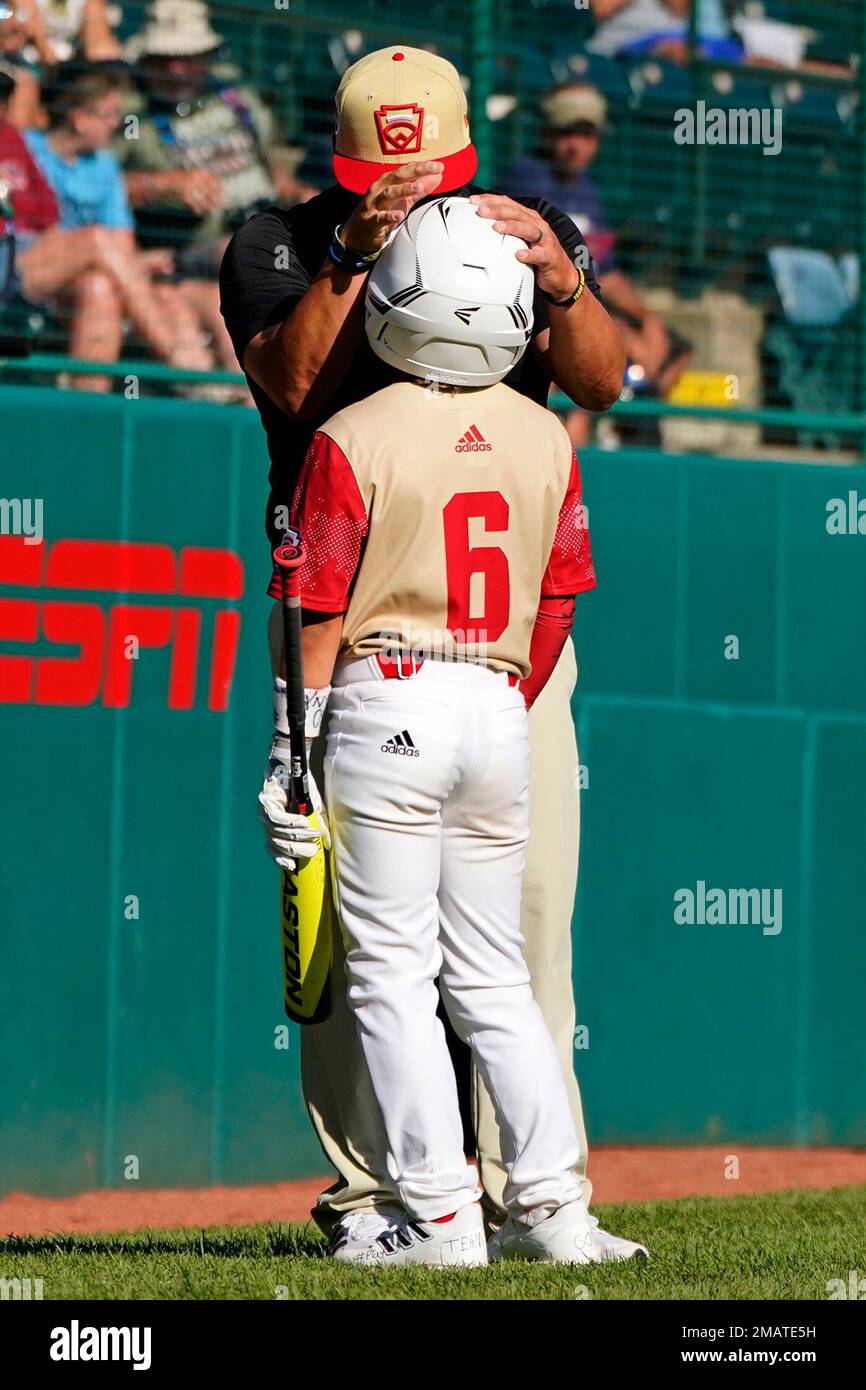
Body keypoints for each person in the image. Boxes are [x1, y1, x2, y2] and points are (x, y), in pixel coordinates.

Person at [220, 44, 638, 1262]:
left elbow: (606, 383)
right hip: (343, 619)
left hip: (502, 630)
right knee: (355, 945)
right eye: (380, 174)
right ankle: (379, 1197)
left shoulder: (520, 225)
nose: (405, 192)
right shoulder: (279, 241)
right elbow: (295, 387)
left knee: (524, 919)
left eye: (424, 173)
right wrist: (358, 250)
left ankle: (528, 1200)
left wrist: (557, 279)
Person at [508, 81, 691, 446]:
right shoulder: (525, 179)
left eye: (587, 134)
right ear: (546, 132)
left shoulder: (588, 192)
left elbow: (605, 271)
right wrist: (621, 327)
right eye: (565, 133)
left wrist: (644, 317)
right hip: (540, 310)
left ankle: (631, 438)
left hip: (586, 303)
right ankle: (580, 440)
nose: (576, 145)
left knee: (675, 352)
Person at [22, 61, 213, 385]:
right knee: (97, 240)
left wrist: (139, 260)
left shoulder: (105, 166)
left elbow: (120, 246)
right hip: (26, 269)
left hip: (81, 282)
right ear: (80, 119)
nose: (116, 124)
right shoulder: (27, 150)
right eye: (109, 114)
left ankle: (89, 416)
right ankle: (178, 356)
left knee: (102, 287)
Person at [117, 0, 278, 373]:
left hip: (259, 225)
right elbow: (97, 183)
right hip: (188, 248)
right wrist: (163, 183)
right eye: (163, 58)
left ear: (205, 56)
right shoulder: (131, 112)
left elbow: (273, 165)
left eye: (187, 57)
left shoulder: (238, 99)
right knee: (243, 252)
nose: (176, 69)